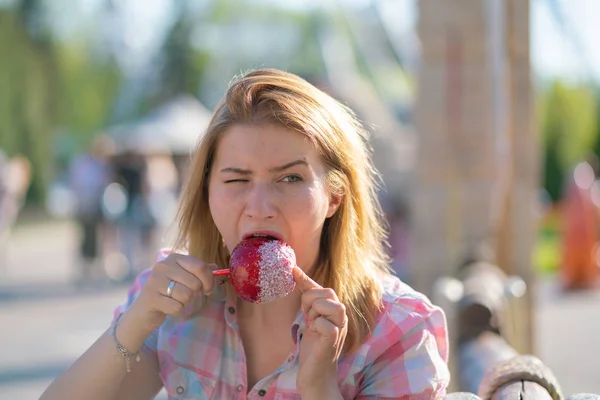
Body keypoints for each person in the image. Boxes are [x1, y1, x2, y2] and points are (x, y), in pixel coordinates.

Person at [41, 69, 449, 399]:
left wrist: (320, 388)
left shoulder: (399, 330)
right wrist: (133, 324)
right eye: (236, 180)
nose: (259, 206)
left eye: (290, 178)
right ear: (207, 193)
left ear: (334, 197)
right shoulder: (172, 307)